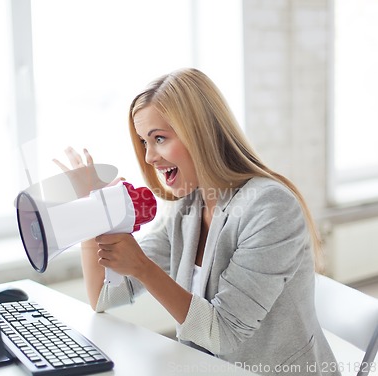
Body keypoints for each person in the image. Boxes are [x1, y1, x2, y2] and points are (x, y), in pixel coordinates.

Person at [55, 68, 340, 375]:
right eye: (144, 142)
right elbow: (103, 296)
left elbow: (224, 333)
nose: (149, 156)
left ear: (200, 133)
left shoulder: (270, 207)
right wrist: (91, 215)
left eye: (159, 138)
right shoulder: (186, 207)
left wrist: (142, 267)